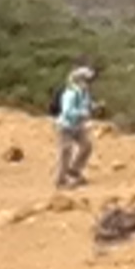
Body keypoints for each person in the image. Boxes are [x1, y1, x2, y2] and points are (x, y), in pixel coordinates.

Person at [53, 61, 98, 190]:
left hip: (77, 126)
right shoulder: (71, 93)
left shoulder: (84, 92)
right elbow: (67, 111)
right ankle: (61, 180)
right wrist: (83, 113)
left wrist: (93, 107)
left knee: (87, 146)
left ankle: (74, 170)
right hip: (66, 126)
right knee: (66, 151)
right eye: (87, 80)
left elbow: (86, 105)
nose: (89, 83)